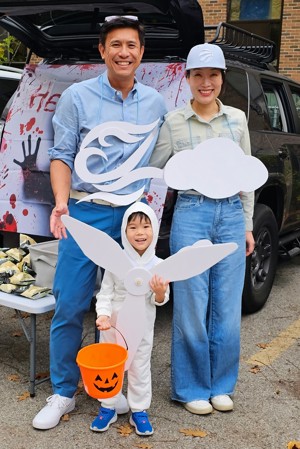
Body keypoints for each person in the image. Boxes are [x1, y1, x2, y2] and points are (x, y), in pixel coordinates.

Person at [32, 16, 167, 430]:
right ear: (102, 50)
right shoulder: (78, 96)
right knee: (70, 301)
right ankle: (63, 393)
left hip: (130, 218)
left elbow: (158, 160)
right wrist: (60, 203)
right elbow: (62, 154)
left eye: (131, 45)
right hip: (85, 211)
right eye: (115, 45)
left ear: (142, 52)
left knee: (125, 308)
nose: (124, 52)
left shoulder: (156, 103)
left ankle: (112, 389)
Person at [150, 43, 255, 415]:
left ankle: (221, 385)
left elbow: (246, 178)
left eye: (213, 75)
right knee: (193, 303)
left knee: (227, 304)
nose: (205, 83)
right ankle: (191, 387)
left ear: (222, 79)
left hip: (229, 214)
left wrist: (246, 224)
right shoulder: (174, 121)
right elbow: (155, 167)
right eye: (198, 75)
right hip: (191, 212)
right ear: (188, 78)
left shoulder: (238, 121)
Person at [91, 201, 169, 436]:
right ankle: (108, 406)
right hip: (112, 326)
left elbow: (162, 300)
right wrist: (103, 315)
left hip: (142, 327)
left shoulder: (159, 265)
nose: (140, 233)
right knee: (110, 368)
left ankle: (139, 410)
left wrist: (158, 291)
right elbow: (105, 292)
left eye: (145, 226)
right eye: (133, 227)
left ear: (154, 230)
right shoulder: (116, 261)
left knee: (139, 367)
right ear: (124, 232)